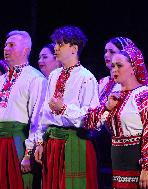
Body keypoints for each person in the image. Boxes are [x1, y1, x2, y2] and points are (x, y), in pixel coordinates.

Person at [82, 46, 148, 189]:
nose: (114, 69)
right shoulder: (114, 95)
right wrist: (106, 107)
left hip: (137, 160)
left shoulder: (145, 95)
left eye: (119, 65)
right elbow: (89, 122)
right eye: (113, 66)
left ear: (133, 68)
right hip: (117, 160)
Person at [34, 25, 99, 189]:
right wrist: (40, 142)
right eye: (56, 44)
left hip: (74, 140)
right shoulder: (54, 75)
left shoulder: (86, 77)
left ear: (74, 49)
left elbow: (92, 119)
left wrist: (64, 108)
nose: (56, 48)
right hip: (52, 142)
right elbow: (44, 112)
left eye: (61, 44)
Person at [0, 30, 47, 189]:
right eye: (6, 45)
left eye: (12, 45)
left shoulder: (35, 78)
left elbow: (37, 119)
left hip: (17, 142)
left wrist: (28, 154)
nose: (6, 48)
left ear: (25, 50)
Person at [96, 36, 137, 189]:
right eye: (105, 51)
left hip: (122, 144)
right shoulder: (103, 82)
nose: (107, 55)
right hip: (101, 143)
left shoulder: (131, 85)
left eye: (112, 51)